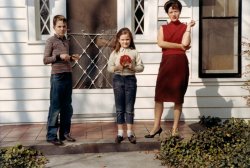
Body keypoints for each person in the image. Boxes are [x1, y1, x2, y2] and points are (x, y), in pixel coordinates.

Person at [145, 0, 195, 138]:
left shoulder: (185, 27)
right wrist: (179, 47)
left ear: (180, 11)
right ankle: (156, 126)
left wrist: (189, 28)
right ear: (167, 13)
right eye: (171, 11)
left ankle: (174, 130)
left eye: (176, 11)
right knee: (159, 96)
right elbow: (160, 43)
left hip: (180, 65)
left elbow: (185, 42)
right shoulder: (163, 28)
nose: (174, 14)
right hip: (166, 63)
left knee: (178, 97)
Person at [43, 15, 80, 145]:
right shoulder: (50, 41)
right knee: (55, 107)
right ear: (54, 27)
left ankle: (65, 134)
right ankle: (51, 135)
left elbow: (66, 58)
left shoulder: (67, 41)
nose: (62, 28)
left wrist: (71, 57)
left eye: (64, 26)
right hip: (57, 76)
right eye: (59, 26)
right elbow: (46, 60)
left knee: (67, 107)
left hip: (68, 75)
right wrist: (59, 56)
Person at [108, 27, 144, 144]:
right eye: (123, 39)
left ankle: (129, 132)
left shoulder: (134, 52)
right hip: (118, 79)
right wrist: (117, 68)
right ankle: (120, 133)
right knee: (119, 108)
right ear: (118, 40)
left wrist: (132, 67)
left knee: (129, 108)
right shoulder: (115, 53)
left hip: (130, 80)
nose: (125, 42)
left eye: (127, 39)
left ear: (131, 40)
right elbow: (109, 67)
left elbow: (141, 67)